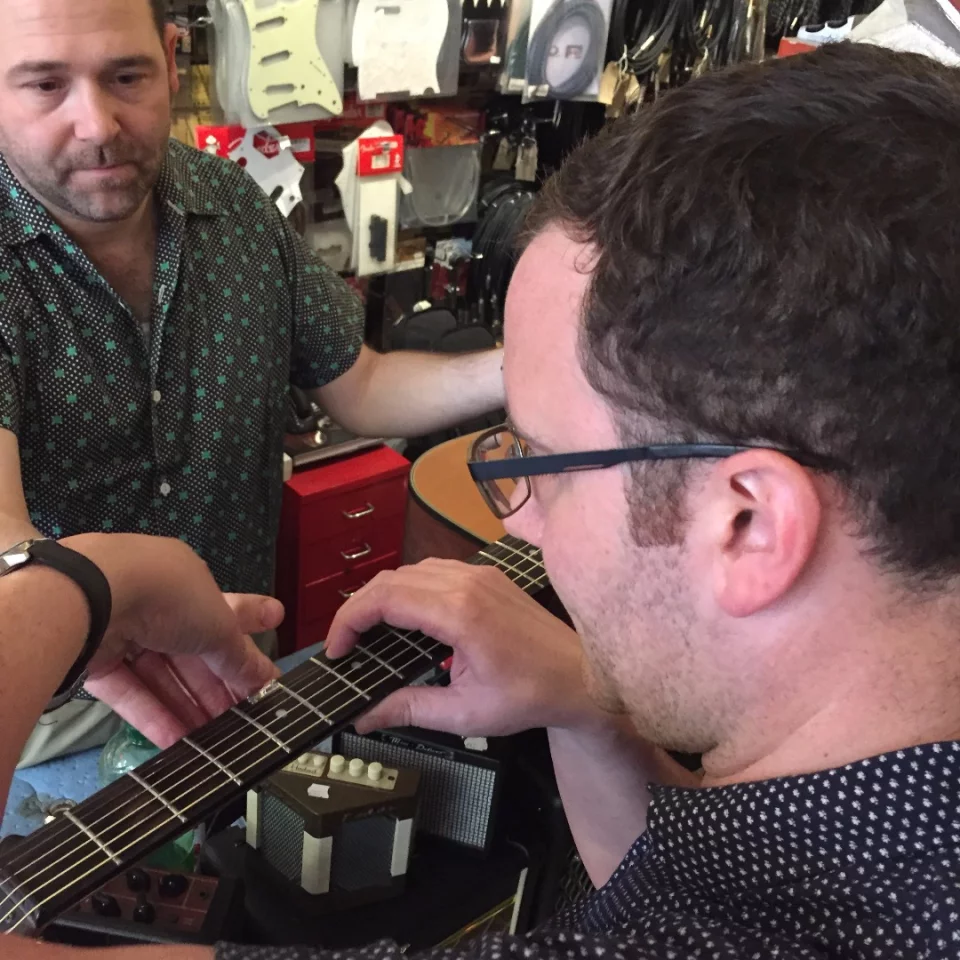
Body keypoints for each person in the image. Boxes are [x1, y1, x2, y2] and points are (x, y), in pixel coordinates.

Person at [4, 38, 960, 960]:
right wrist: (589, 702)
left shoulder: (229, 210)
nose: (519, 519)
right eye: (41, 83)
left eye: (540, 462)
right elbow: (665, 889)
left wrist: (79, 588)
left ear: (748, 522)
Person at [0, 0, 504, 765]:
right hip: (58, 704)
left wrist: (523, 370)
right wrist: (85, 608)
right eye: (45, 86)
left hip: (238, 663)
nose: (96, 123)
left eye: (125, 74)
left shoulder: (235, 206)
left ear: (173, 59)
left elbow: (361, 387)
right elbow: (5, 546)